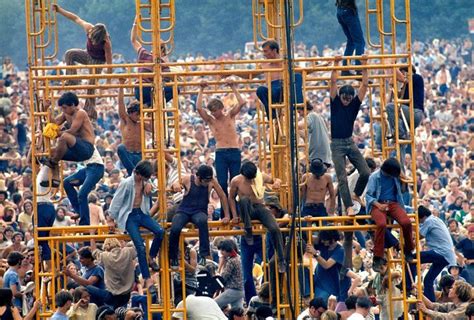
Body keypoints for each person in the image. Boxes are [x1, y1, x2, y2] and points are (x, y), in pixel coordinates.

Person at [109, 160, 164, 292]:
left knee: (160, 231)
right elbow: (116, 201)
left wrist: (149, 184)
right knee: (139, 246)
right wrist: (111, 218)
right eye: (145, 177)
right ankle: (147, 278)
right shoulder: (127, 183)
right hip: (130, 216)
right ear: (138, 174)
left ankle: (151, 257)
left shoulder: (145, 182)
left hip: (142, 213)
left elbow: (153, 187)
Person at [329, 54, 370, 217]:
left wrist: (364, 65)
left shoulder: (354, 104)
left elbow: (365, 85)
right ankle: (348, 206)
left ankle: (356, 194)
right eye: (344, 98)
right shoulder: (335, 102)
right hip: (337, 143)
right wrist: (336, 64)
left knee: (366, 171)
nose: (346, 101)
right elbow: (332, 82)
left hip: (349, 141)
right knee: (342, 177)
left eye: (348, 98)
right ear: (340, 96)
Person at [169, 164, 230, 269]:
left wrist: (227, 215)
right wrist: (176, 186)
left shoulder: (211, 181)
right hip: (184, 210)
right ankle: (173, 257)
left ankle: (203, 254)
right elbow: (175, 184)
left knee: (202, 222)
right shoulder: (188, 178)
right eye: (205, 181)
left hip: (199, 211)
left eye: (209, 181)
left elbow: (223, 196)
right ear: (198, 177)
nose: (207, 184)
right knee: (175, 228)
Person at [228, 161, 286, 273]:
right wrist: (234, 215)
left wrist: (277, 182)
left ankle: (281, 259)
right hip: (246, 209)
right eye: (249, 179)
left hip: (260, 207)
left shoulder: (261, 176)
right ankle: (248, 229)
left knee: (275, 228)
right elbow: (231, 197)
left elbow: (276, 179)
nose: (251, 181)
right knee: (244, 200)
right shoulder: (236, 181)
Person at [196, 79, 246, 196]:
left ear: (221, 109)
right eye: (211, 112)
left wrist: (233, 87)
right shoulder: (211, 121)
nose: (213, 114)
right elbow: (199, 108)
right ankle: (225, 212)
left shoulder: (230, 115)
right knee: (222, 183)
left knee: (235, 181)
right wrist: (201, 89)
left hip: (234, 151)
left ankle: (236, 212)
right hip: (221, 152)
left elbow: (242, 102)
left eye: (214, 111)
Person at [365, 158, 415, 271]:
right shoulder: (374, 177)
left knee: (406, 222)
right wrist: (378, 205)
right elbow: (368, 196)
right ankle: (377, 257)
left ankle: (408, 250)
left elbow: (405, 180)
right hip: (378, 203)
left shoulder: (395, 175)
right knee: (381, 224)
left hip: (393, 203)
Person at [42, 93, 95, 187]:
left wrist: (58, 134)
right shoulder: (66, 113)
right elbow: (55, 123)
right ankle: (56, 178)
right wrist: (47, 109)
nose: (63, 110)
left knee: (64, 136)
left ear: (73, 105)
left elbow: (73, 131)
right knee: (50, 152)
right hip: (75, 150)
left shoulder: (81, 113)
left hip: (86, 148)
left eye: (65, 107)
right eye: (62, 108)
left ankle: (53, 162)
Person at [52, 4, 112, 84]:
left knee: (91, 84)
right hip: (87, 53)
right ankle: (73, 80)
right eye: (91, 37)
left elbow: (109, 63)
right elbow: (75, 18)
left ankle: (90, 96)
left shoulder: (106, 43)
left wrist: (108, 81)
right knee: (69, 54)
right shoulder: (88, 27)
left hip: (97, 61)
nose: (92, 40)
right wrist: (59, 10)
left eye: (95, 41)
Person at [407, 205, 456, 301]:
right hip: (446, 256)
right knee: (428, 280)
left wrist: (407, 229)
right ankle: (431, 304)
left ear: (422, 216)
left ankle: (409, 286)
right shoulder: (435, 219)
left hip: (441, 253)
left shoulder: (429, 221)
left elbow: (418, 236)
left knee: (411, 259)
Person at [130, 16, 175, 106]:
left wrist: (135, 24)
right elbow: (166, 81)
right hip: (148, 90)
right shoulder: (161, 63)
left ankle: (149, 105)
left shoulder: (145, 54)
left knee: (167, 89)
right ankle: (150, 105)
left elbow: (133, 40)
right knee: (174, 89)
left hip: (141, 90)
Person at [253, 40, 303, 120]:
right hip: (273, 91)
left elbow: (303, 71)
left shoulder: (286, 62)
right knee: (260, 90)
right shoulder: (263, 64)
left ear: (274, 50)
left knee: (297, 76)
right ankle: (271, 113)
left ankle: (298, 104)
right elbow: (249, 75)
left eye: (266, 51)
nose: (264, 54)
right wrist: (233, 73)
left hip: (286, 88)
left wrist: (321, 66)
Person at [89, 238, 136, 309]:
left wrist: (92, 237)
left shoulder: (105, 256)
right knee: (121, 313)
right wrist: (121, 235)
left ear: (106, 247)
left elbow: (94, 252)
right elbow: (136, 245)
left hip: (112, 295)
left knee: (87, 287)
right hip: (126, 294)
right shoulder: (128, 252)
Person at [116, 79, 150, 175]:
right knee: (120, 148)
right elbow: (120, 102)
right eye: (137, 114)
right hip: (128, 154)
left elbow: (153, 129)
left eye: (140, 114)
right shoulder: (125, 119)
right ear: (130, 113)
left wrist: (151, 114)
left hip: (140, 155)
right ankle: (132, 172)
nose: (139, 117)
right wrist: (121, 85)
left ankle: (135, 173)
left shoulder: (142, 122)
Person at [63, 146, 104, 226]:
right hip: (88, 168)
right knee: (66, 183)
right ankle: (79, 211)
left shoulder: (82, 138)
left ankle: (84, 223)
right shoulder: (73, 141)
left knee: (82, 194)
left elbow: (73, 155)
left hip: (96, 168)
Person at [386, 65, 425, 140]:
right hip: (407, 114)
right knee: (399, 141)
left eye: (402, 73)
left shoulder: (417, 78)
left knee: (390, 107)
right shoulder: (405, 86)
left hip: (415, 112)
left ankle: (399, 133)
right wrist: (392, 86)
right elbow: (388, 102)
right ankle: (400, 135)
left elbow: (403, 79)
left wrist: (392, 66)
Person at [305, 229, 345, 302]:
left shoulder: (340, 250)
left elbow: (326, 265)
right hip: (317, 280)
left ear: (332, 239)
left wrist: (315, 253)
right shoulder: (323, 243)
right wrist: (309, 223)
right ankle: (306, 295)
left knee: (320, 303)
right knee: (302, 269)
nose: (322, 241)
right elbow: (310, 238)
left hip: (329, 286)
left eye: (324, 240)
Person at [215, 239, 244, 309]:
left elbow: (224, 277)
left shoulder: (231, 261)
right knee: (237, 311)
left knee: (214, 304)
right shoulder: (239, 258)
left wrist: (220, 268)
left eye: (222, 250)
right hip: (240, 290)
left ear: (227, 249)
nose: (221, 253)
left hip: (233, 290)